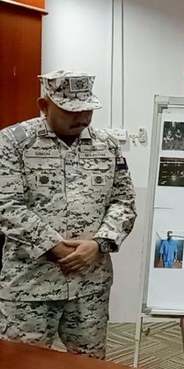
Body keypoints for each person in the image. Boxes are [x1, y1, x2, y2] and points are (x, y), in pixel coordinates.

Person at [0, 70, 137, 359]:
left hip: (90, 283)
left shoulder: (107, 146)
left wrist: (99, 243)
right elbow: (6, 205)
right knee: (22, 362)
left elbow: (123, 201)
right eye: (71, 111)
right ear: (44, 105)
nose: (82, 118)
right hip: (29, 284)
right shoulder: (12, 143)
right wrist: (55, 246)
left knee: (88, 361)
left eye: (88, 109)